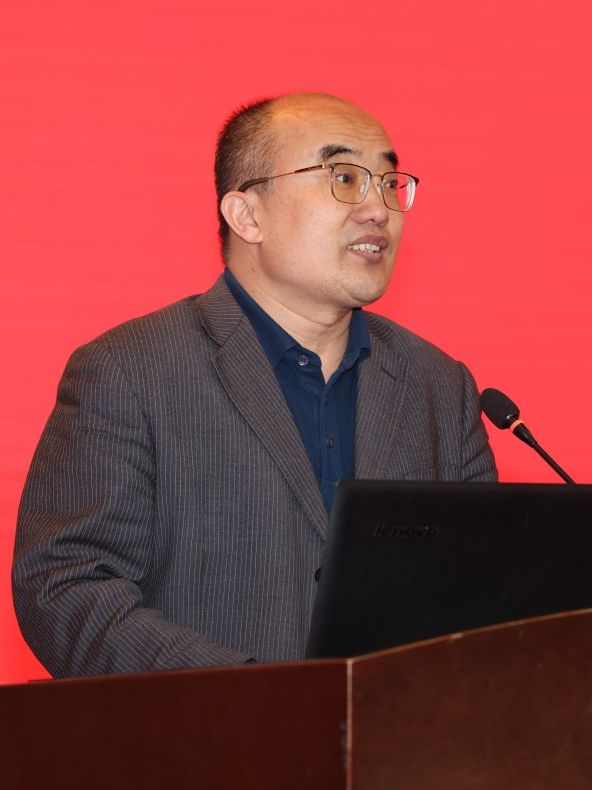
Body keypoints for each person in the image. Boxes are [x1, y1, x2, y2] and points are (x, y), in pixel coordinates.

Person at [13, 93, 497, 678]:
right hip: (204, 732)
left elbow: (484, 591)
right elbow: (67, 587)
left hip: (396, 733)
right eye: (344, 178)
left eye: (390, 183)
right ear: (247, 216)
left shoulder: (439, 387)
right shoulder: (130, 371)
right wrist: (249, 698)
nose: (378, 209)